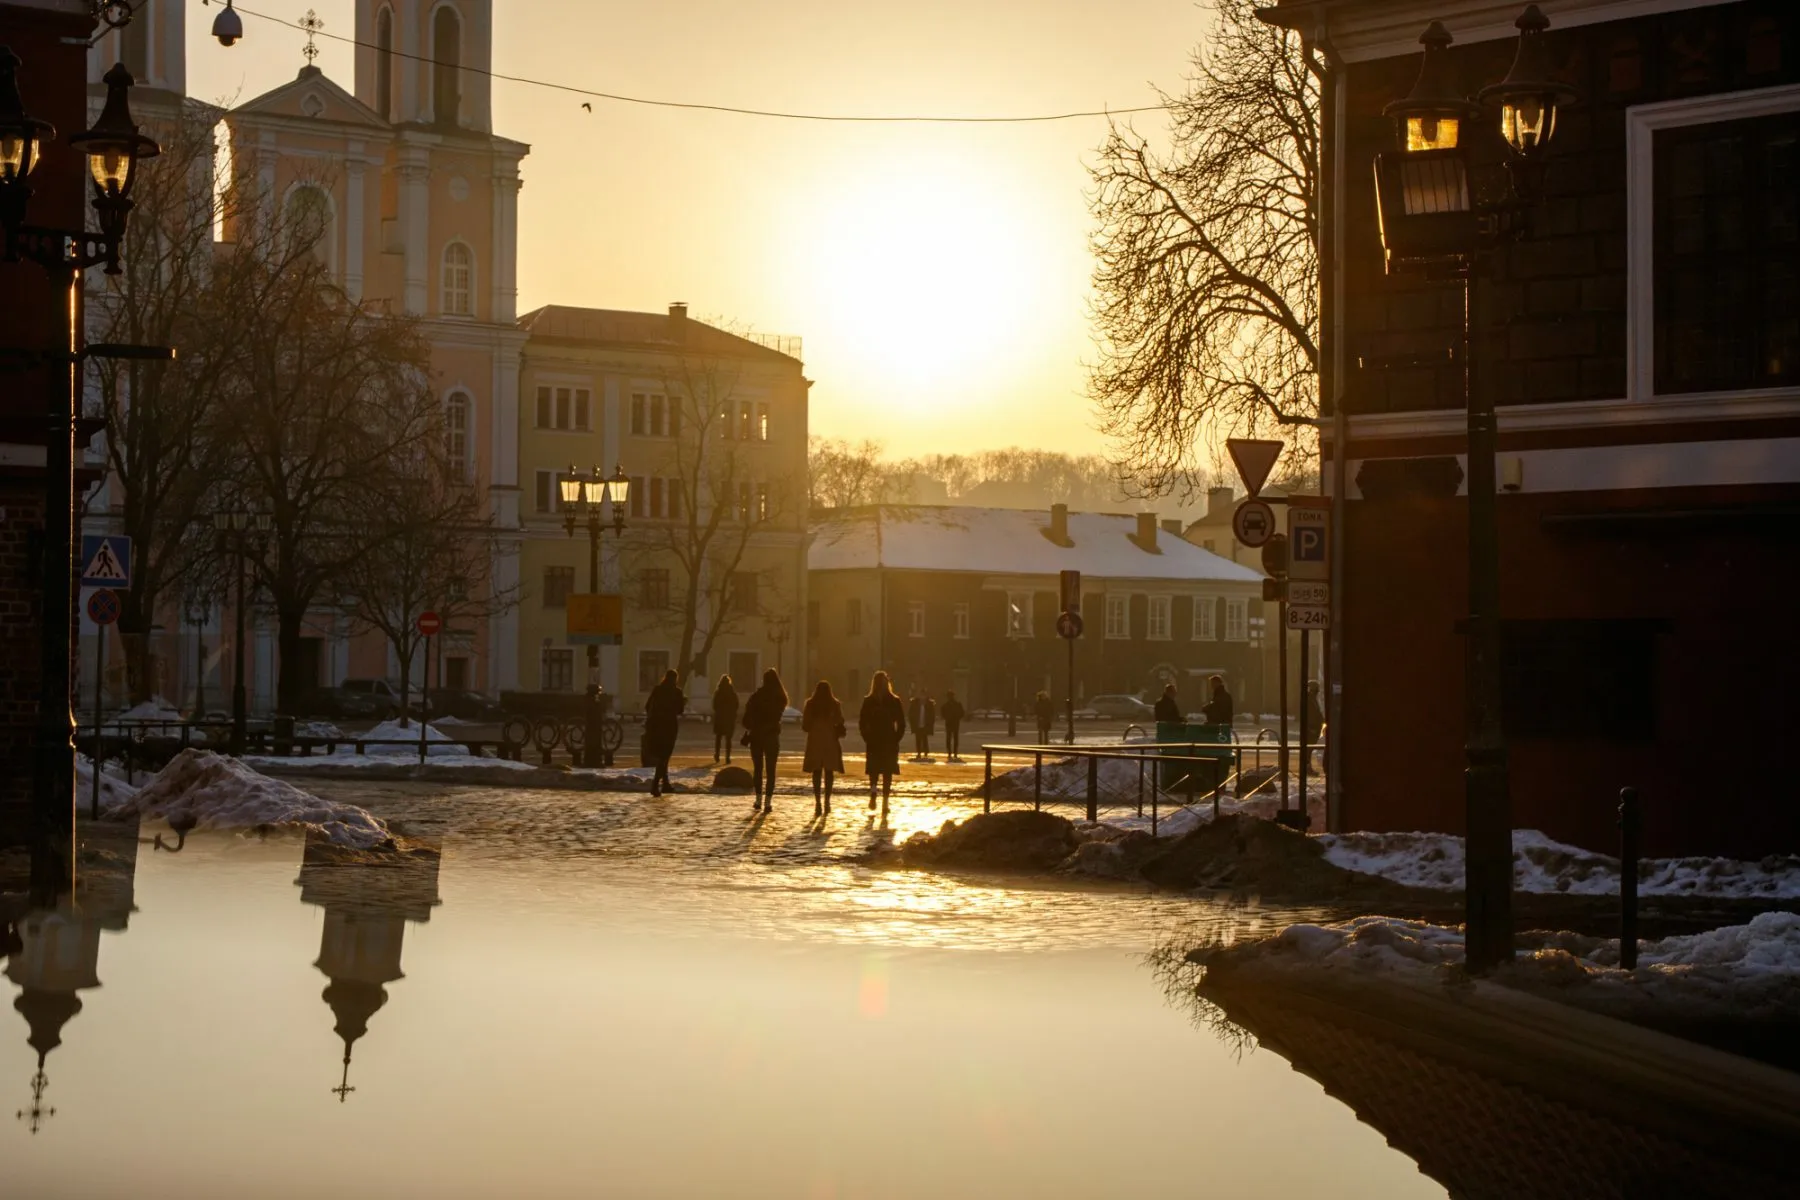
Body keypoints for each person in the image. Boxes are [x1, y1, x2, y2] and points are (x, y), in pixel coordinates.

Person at [858, 671, 907, 817]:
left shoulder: (869, 700)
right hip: (889, 739)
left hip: (874, 739)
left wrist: (866, 737)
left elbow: (862, 722)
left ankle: (873, 790)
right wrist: (896, 737)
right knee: (887, 772)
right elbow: (902, 722)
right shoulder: (894, 700)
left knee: (873, 769)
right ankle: (885, 802)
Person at [741, 668, 788, 812]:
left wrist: (753, 725)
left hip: (756, 736)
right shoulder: (780, 697)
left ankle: (758, 799)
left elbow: (746, 718)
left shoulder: (756, 696)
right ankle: (768, 802)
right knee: (771, 770)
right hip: (772, 736)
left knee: (758, 769)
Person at [801, 680, 846, 816]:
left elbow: (805, 726)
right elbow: (840, 721)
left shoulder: (810, 704)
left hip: (815, 740)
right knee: (829, 771)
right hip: (830, 740)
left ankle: (818, 802)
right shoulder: (834, 704)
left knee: (816, 772)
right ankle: (827, 801)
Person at [643, 669, 686, 797]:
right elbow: (680, 710)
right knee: (664, 756)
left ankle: (665, 783)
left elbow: (647, 706)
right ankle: (655, 785)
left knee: (662, 756)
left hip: (656, 726)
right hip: (669, 726)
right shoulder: (677, 692)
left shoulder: (657, 689)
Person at [711, 675, 739, 763]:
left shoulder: (718, 692)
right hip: (729, 719)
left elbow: (714, 705)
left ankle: (717, 755)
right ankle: (727, 757)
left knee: (718, 738)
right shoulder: (732, 693)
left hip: (720, 718)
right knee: (728, 739)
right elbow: (736, 705)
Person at [940, 691, 965, 761]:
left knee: (951, 738)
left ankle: (951, 752)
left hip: (951, 723)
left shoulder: (948, 705)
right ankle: (953, 752)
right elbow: (962, 713)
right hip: (953, 723)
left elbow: (962, 713)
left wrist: (949, 717)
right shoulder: (955, 704)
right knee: (953, 738)